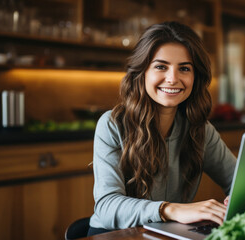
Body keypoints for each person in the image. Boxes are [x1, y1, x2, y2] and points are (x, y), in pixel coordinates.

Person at [88, 21, 237, 236]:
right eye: (161, 66)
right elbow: (106, 207)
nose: (173, 78)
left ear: (196, 78)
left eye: (184, 68)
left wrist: (239, 197)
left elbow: (237, 182)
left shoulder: (201, 129)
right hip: (113, 234)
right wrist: (170, 209)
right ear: (142, 72)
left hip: (166, 234)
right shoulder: (112, 125)